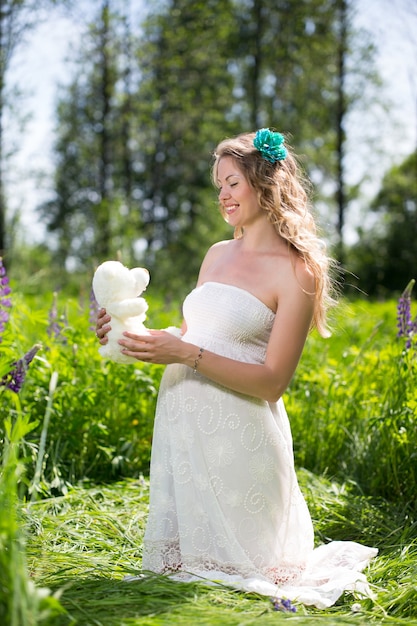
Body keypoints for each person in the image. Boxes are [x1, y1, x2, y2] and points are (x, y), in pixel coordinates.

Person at [96, 128, 377, 609]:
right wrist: (128, 330)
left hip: (243, 442)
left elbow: (272, 383)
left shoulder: (297, 270)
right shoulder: (216, 255)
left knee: (237, 577)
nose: (223, 196)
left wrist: (185, 354)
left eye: (232, 183)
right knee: (187, 571)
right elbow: (193, 333)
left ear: (266, 183)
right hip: (186, 433)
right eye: (219, 185)